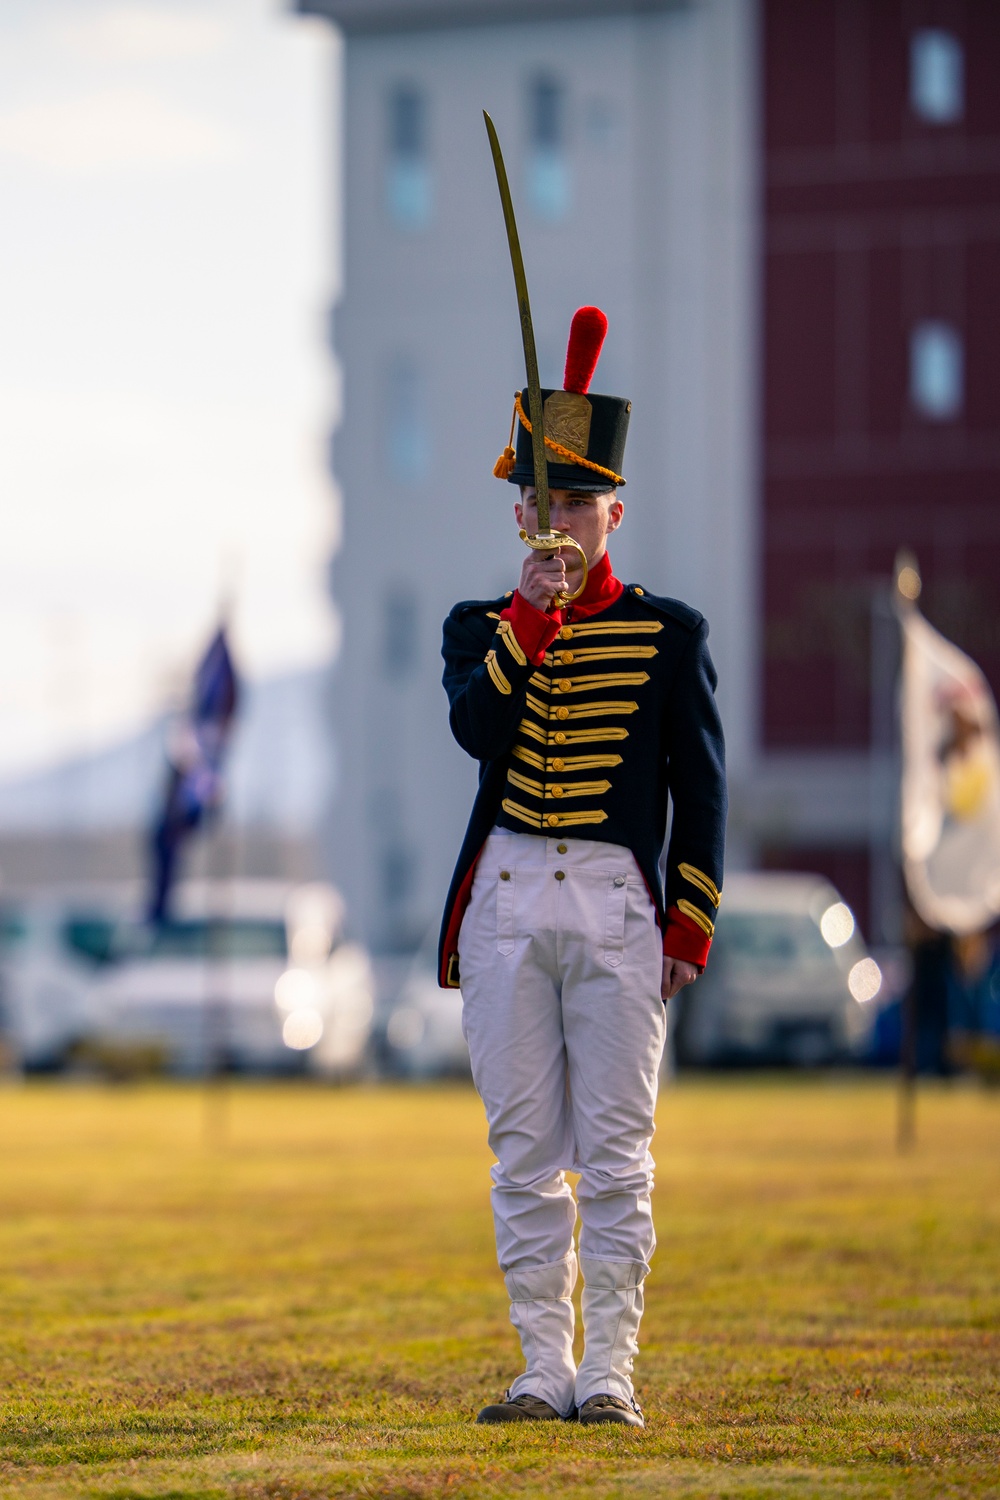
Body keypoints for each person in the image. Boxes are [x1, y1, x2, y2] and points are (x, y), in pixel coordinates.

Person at [438, 307, 727, 1427]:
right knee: (522, 1155)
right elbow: (477, 734)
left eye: (577, 502)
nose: (558, 521)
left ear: (613, 510)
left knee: (614, 1152)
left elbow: (699, 790)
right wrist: (528, 620)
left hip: (614, 906)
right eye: (541, 501)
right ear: (520, 510)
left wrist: (689, 923)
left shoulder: (671, 635)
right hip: (506, 897)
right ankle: (538, 1367)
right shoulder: (480, 626)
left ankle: (610, 1368)